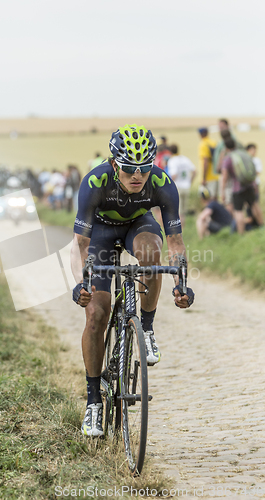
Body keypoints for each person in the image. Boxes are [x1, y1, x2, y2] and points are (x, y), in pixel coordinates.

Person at [70, 124, 195, 437]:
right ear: (115, 164)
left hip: (138, 224)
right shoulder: (95, 182)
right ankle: (94, 402)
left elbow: (176, 244)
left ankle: (147, 328)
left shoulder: (162, 183)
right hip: (98, 233)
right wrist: (80, 282)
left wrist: (181, 282)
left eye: (144, 168)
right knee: (97, 314)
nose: (137, 176)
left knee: (152, 252)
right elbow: (80, 246)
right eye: (128, 169)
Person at [221, 137, 263, 234]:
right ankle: (262, 227)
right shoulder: (244, 154)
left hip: (237, 188)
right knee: (254, 205)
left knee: (238, 211)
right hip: (250, 185)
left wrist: (222, 192)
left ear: (226, 148)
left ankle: (241, 233)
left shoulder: (228, 159)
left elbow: (224, 177)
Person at [167, 144, 196, 225]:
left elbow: (174, 175)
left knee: (178, 211)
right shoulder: (185, 159)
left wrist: (169, 186)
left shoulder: (172, 160)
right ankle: (184, 228)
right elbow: (194, 171)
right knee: (184, 211)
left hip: (177, 187)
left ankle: (180, 229)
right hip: (186, 187)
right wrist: (190, 182)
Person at [198, 127, 218, 200]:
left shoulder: (203, 144)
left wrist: (204, 178)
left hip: (209, 176)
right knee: (215, 198)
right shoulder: (213, 142)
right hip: (216, 174)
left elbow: (205, 161)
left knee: (208, 198)